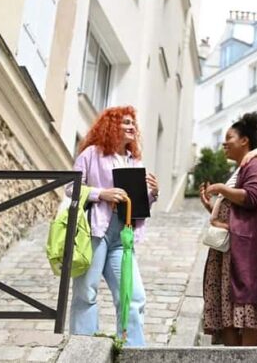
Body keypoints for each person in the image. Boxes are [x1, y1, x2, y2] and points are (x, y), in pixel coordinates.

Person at [69, 106, 159, 347]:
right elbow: (71, 187)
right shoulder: (92, 154)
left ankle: (132, 350)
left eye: (133, 123)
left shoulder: (134, 161)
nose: (132, 126)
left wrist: (153, 193)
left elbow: (138, 203)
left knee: (134, 295)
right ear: (111, 125)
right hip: (95, 231)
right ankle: (83, 349)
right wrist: (102, 194)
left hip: (123, 236)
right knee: (86, 292)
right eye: (126, 122)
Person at [200, 112, 257, 346]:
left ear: (245, 140)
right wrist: (212, 206)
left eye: (229, 138)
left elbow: (252, 196)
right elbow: (236, 208)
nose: (224, 143)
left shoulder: (256, 164)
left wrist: (221, 189)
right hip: (230, 249)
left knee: (244, 306)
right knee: (228, 312)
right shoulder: (242, 168)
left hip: (243, 254)